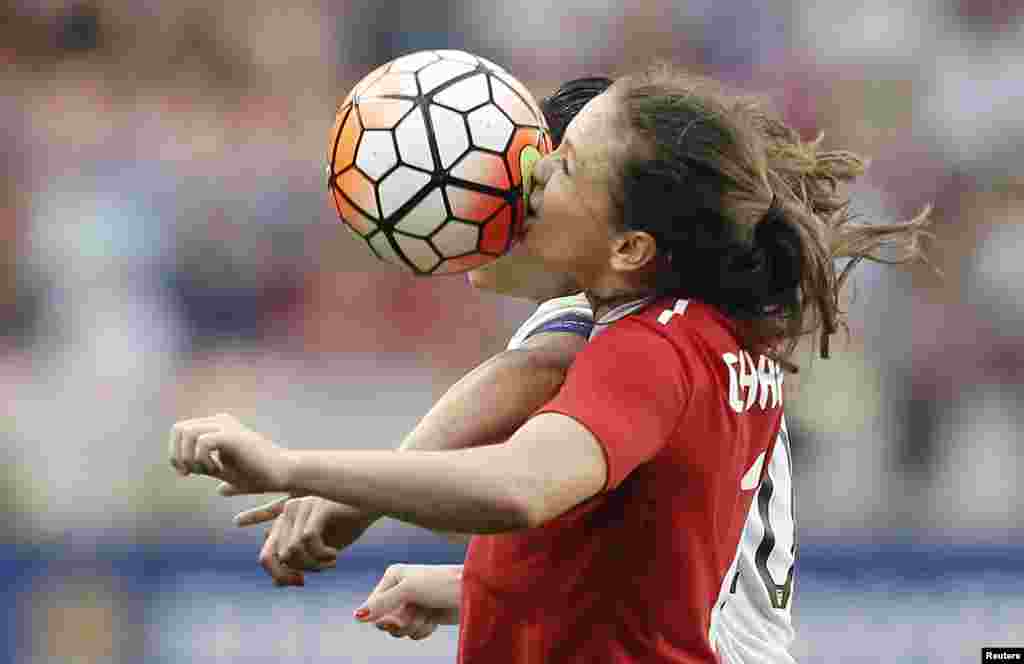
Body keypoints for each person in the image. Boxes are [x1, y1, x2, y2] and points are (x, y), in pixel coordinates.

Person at [170, 65, 931, 663]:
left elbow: (522, 466)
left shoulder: (642, 341)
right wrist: (486, 586)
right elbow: (647, 557)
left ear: (629, 244)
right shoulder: (705, 326)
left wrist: (302, 472)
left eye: (560, 167)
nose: (524, 187)